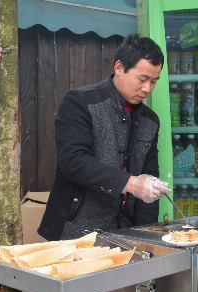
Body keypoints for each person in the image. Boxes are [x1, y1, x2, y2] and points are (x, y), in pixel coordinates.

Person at [38, 33, 170, 244]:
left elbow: (149, 182)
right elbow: (72, 160)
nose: (148, 89)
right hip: (74, 231)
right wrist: (130, 183)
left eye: (154, 81)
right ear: (119, 67)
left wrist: (147, 236)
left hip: (126, 230)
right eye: (142, 79)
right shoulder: (80, 102)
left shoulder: (150, 121)